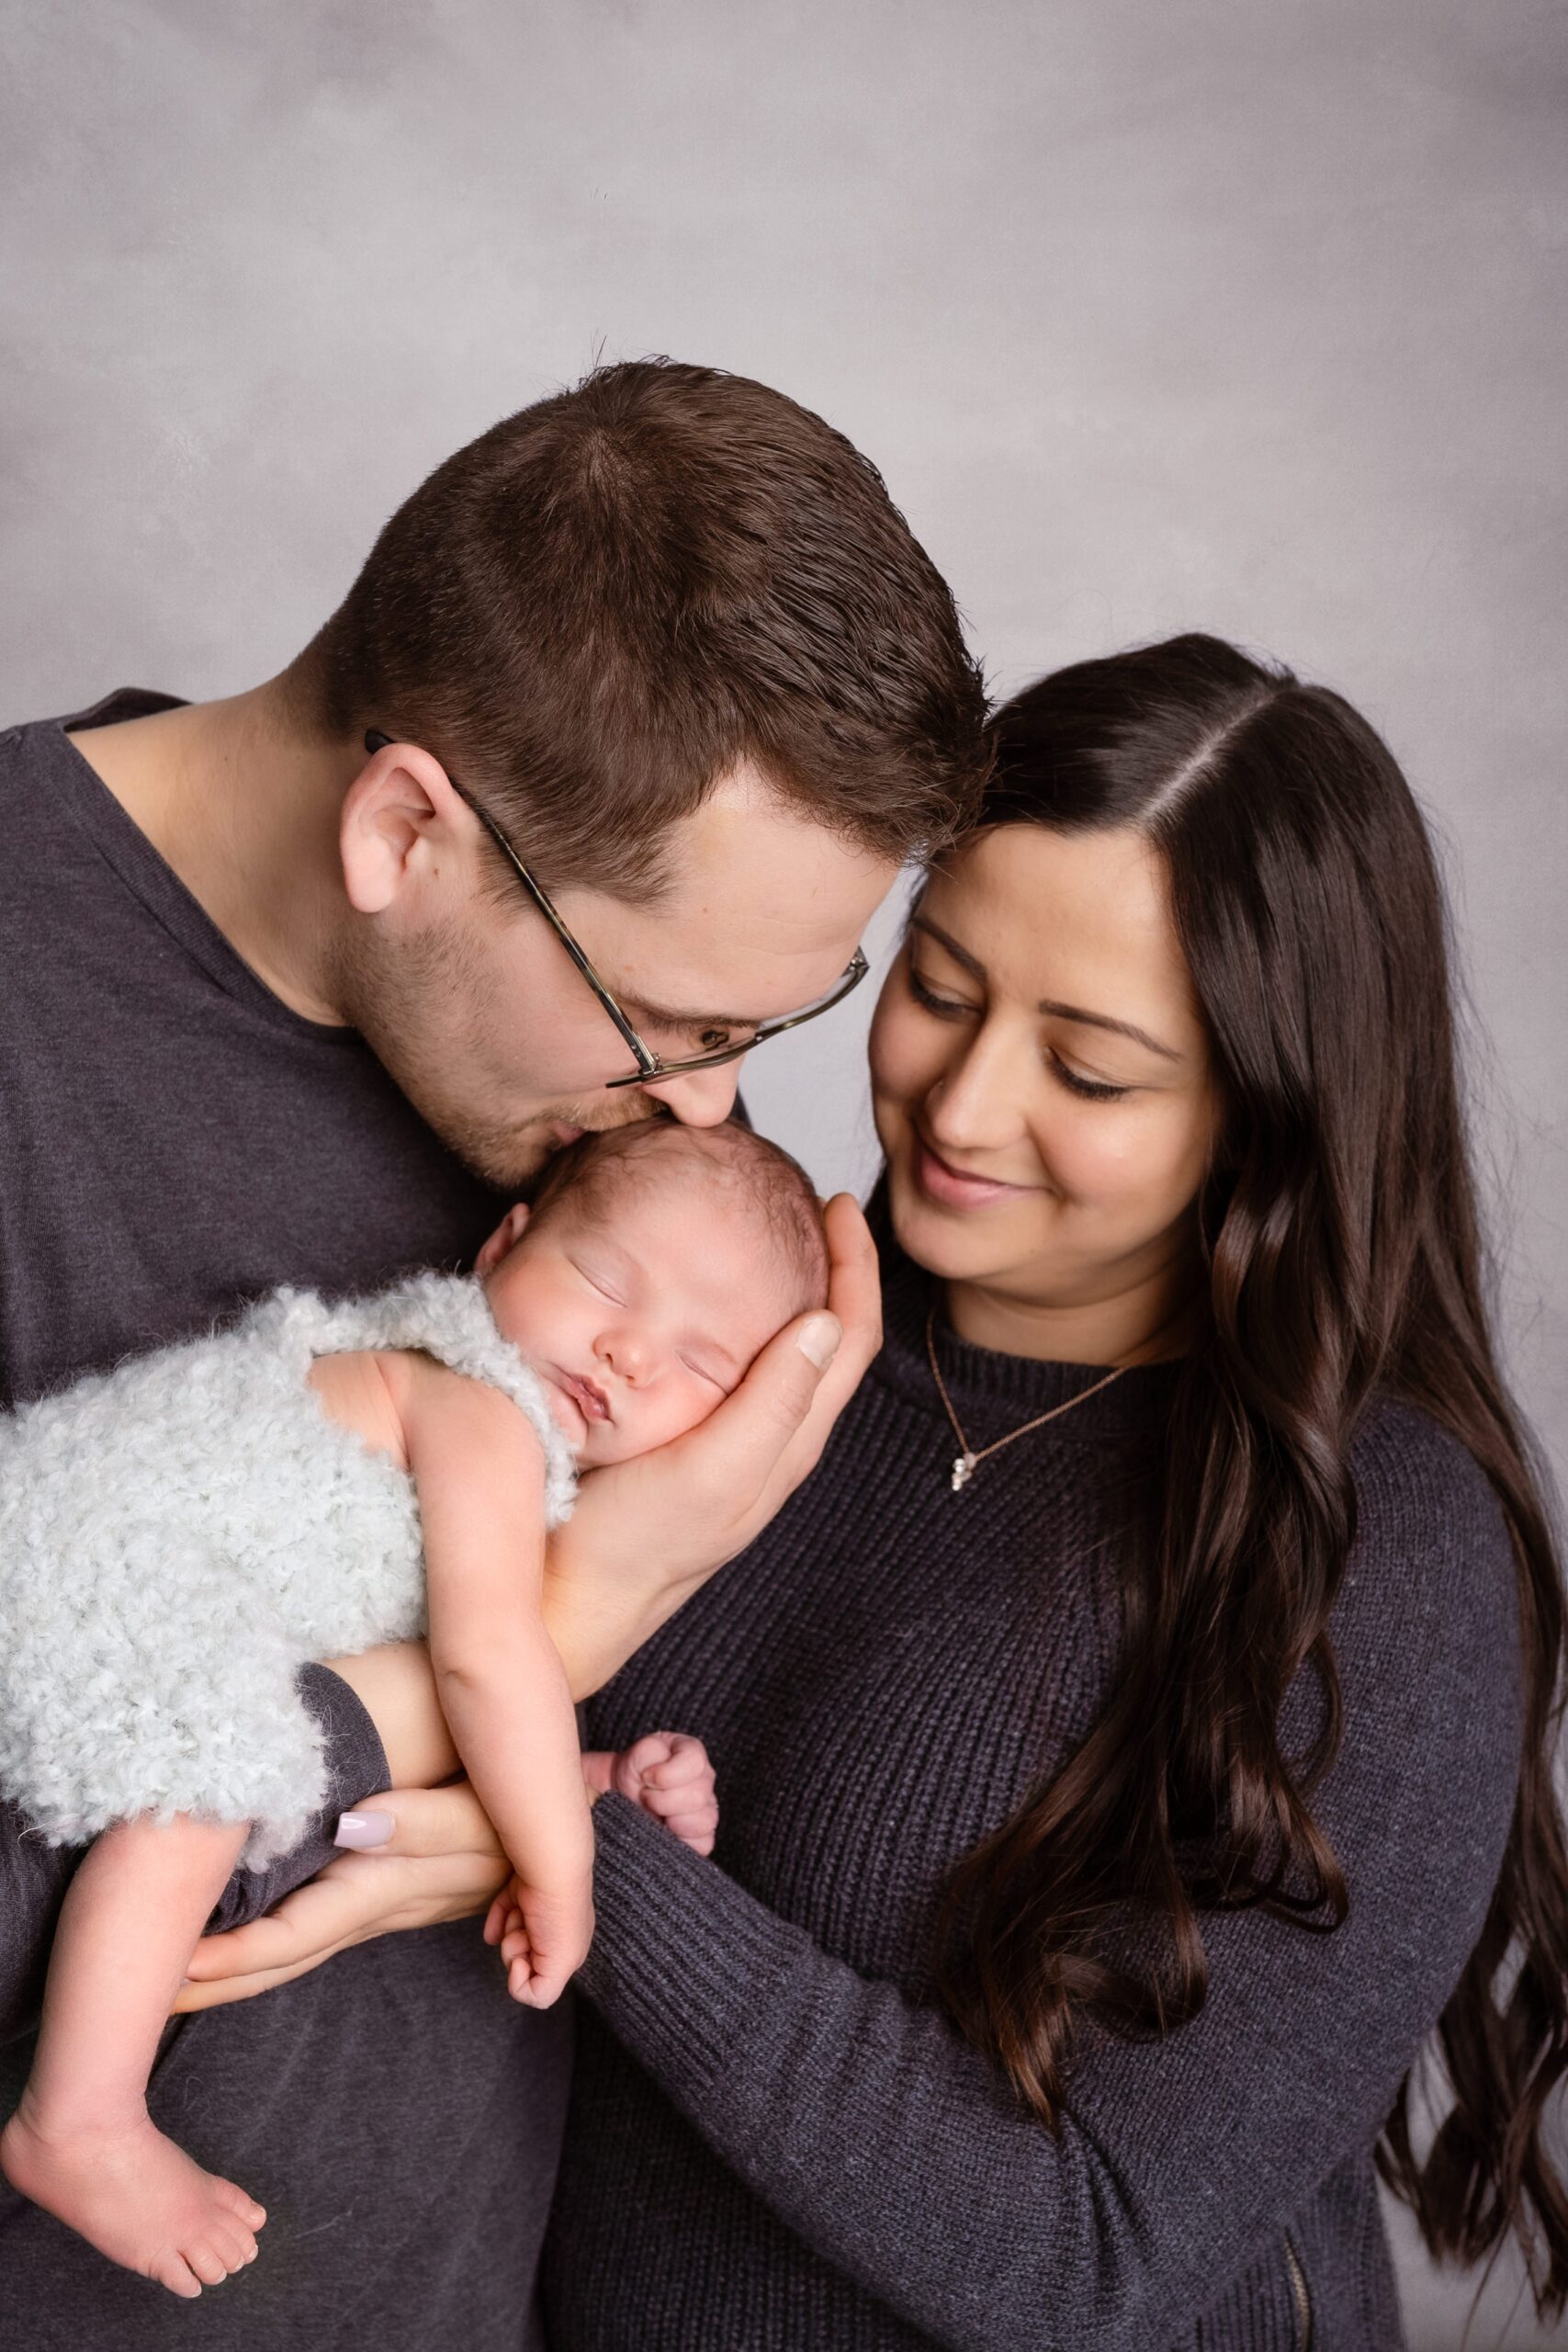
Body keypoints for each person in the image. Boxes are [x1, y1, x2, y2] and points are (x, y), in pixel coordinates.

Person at [192, 636, 1568, 2348]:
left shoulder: (1377, 1543)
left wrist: (566, 1841)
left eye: (1089, 1070)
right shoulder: (697, 1332)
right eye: (940, 986)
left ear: (1265, 1117)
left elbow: (1091, 2258)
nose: (962, 1107)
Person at [0, 357, 987, 2346]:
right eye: (675, 1024)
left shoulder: (590, 1145)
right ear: (403, 828)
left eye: (766, 1033)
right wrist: (546, 1629)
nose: (705, 1114)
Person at [0, 1118, 819, 2298]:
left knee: (235, 1747)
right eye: (604, 1282)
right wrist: (562, 1862)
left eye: (704, 1363)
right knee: (205, 1778)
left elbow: (426, 1689)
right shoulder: (476, 1403)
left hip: (105, 1547)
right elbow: (486, 1663)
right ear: (503, 1246)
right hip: (97, 1553)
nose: (632, 1351)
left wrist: (585, 1781)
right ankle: (77, 2118)